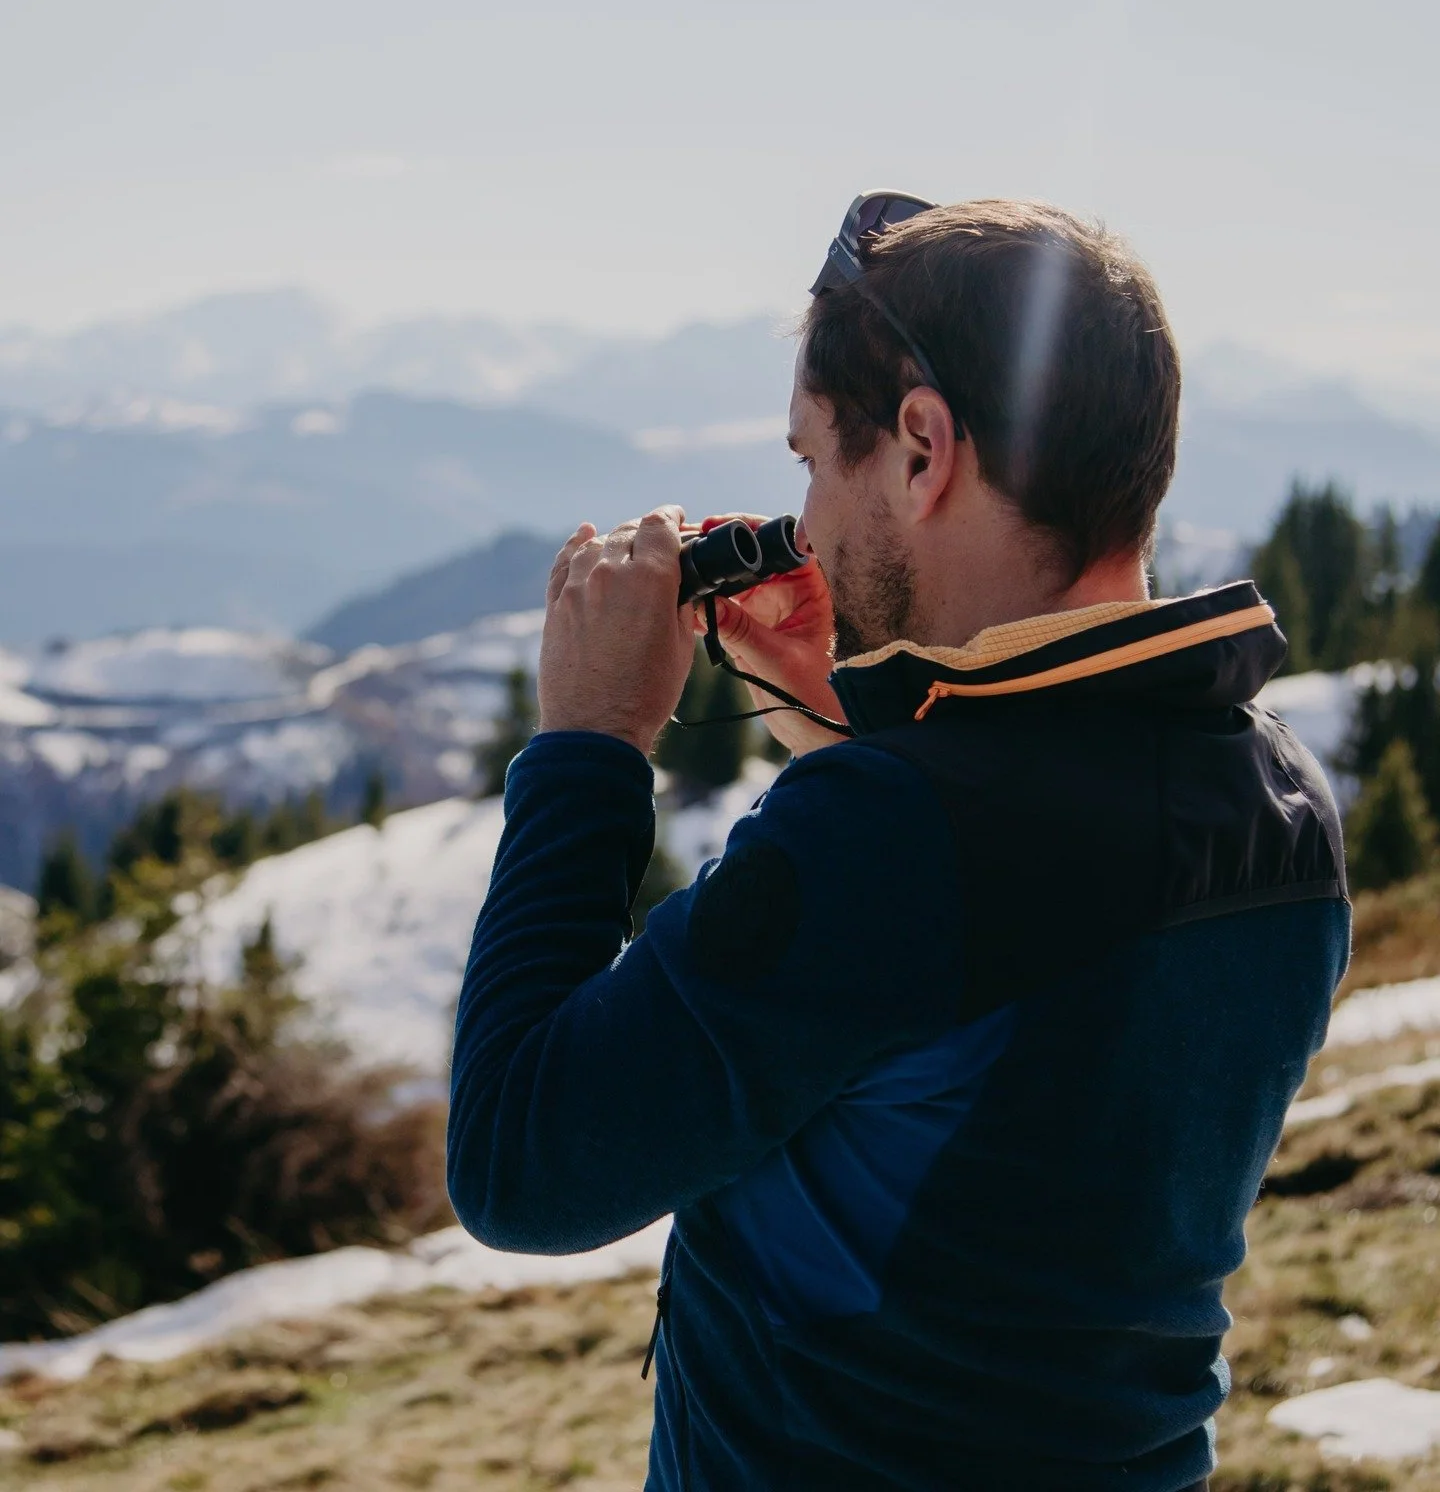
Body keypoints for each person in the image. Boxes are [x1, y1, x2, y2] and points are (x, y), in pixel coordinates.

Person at [447, 196, 1348, 1491]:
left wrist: (592, 738)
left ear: (923, 448)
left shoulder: (896, 844)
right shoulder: (1275, 802)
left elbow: (517, 1160)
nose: (803, 524)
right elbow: (989, 1025)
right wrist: (852, 735)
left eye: (814, 461)